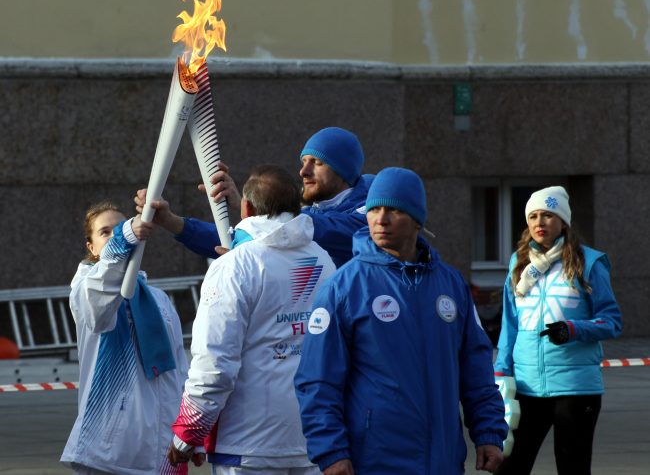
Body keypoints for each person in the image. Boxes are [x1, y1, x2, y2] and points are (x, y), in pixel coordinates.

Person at [294, 167, 507, 475]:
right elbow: (318, 379)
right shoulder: (343, 287)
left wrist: (488, 431)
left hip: (444, 460)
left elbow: (476, 365)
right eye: (374, 209)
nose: (380, 219)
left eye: (393, 210)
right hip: (375, 461)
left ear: (417, 219)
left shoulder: (451, 284)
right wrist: (330, 451)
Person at [166, 165, 336, 475]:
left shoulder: (235, 266)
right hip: (312, 440)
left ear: (246, 207)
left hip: (248, 445)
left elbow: (215, 361)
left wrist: (189, 432)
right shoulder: (323, 260)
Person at [493, 186, 622, 475]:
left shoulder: (589, 262)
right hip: (525, 387)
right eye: (534, 216)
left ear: (563, 221)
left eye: (549, 215)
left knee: (572, 468)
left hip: (575, 389)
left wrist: (573, 329)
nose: (540, 222)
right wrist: (501, 372)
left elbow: (612, 321)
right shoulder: (519, 263)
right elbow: (509, 324)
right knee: (510, 467)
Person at [60, 202, 190, 475]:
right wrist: (124, 236)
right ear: (92, 247)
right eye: (104, 232)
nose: (114, 235)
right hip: (110, 452)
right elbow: (102, 294)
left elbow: (179, 369)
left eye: (118, 228)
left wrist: (189, 433)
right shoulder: (86, 290)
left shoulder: (158, 300)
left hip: (163, 451)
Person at [134, 126, 372, 267]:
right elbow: (235, 239)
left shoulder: (370, 214)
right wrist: (171, 221)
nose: (303, 172)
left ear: (343, 170)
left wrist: (257, 208)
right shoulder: (307, 214)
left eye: (317, 163)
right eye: (303, 162)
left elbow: (314, 229)